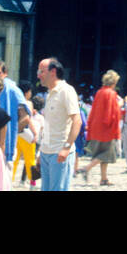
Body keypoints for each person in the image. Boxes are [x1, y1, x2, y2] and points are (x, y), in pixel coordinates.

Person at [36, 57, 81, 191]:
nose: (38, 75)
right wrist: (41, 151)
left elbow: (77, 121)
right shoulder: (50, 93)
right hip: (46, 152)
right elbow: (48, 125)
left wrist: (66, 147)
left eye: (41, 71)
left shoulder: (66, 91)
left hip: (60, 153)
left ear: (53, 71)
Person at [81, 70, 122, 186]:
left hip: (97, 128)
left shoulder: (99, 92)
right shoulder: (111, 94)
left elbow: (94, 110)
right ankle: (86, 168)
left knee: (101, 154)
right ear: (113, 82)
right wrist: (120, 106)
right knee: (107, 154)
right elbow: (111, 112)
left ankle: (104, 179)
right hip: (106, 129)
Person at [0, 59, 25, 165]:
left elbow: (25, 118)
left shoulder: (12, 90)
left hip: (5, 145)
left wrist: (9, 133)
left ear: (5, 73)